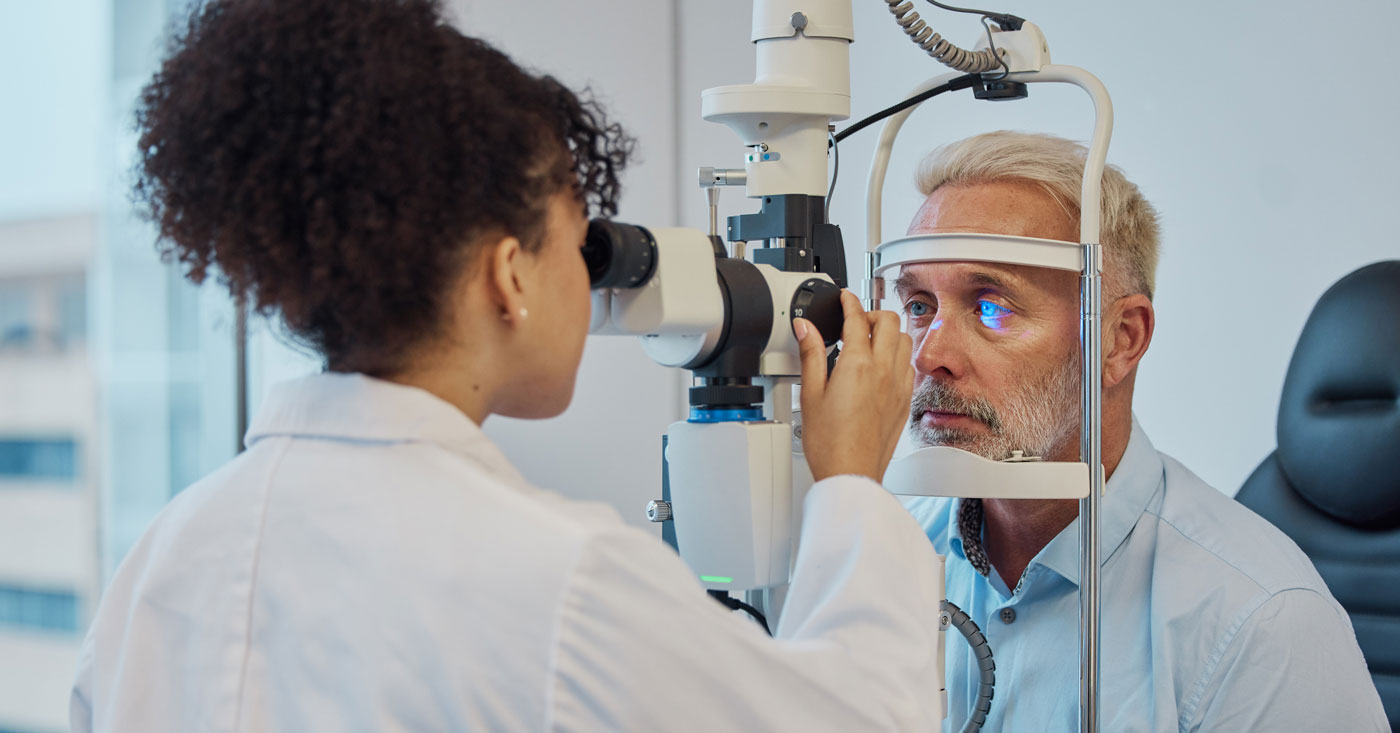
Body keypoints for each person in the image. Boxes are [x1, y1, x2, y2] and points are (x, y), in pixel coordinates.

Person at [69, 1, 945, 730]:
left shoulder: (163, 560)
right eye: (580, 242)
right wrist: (853, 488)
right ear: (509, 272)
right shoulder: (562, 582)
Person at [894, 130, 1388, 730]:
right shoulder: (893, 557)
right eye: (919, 305)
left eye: (992, 306)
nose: (928, 354)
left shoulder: (1258, 622)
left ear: (1121, 338)